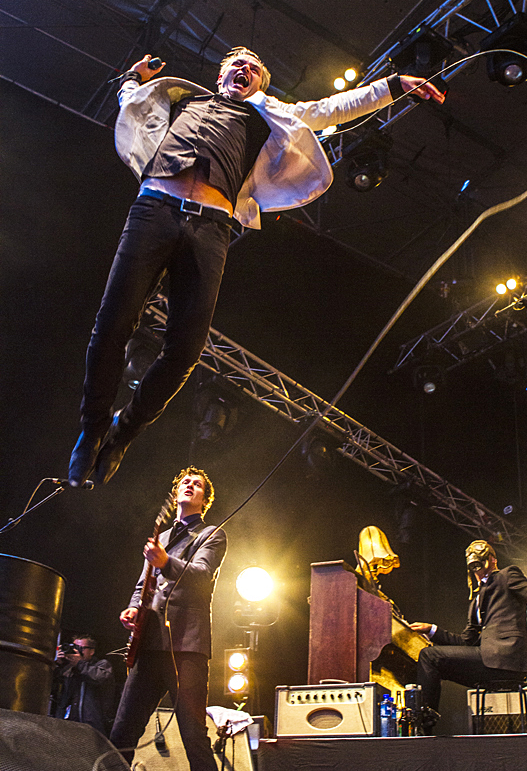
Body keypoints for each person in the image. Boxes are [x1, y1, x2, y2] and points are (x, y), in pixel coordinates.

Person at [68, 46, 445, 488]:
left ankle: (123, 431)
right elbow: (131, 102)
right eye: (238, 66)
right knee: (112, 325)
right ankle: (92, 428)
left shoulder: (265, 115)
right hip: (155, 209)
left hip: (211, 226)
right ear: (222, 75)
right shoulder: (183, 100)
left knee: (185, 351)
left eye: (255, 71)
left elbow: (329, 108)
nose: (245, 71)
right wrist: (132, 76)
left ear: (259, 86)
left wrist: (394, 85)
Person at [109, 466, 227, 771]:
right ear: (176, 493)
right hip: (149, 644)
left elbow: (201, 575)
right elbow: (143, 585)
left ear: (204, 498)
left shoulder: (211, 534)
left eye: (197, 484)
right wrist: (134, 608)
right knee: (122, 731)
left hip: (186, 646)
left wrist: (165, 561)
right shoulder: (159, 536)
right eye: (185, 482)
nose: (189, 485)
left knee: (193, 735)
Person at [410, 540, 527, 721]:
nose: (477, 569)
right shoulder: (476, 601)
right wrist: (432, 630)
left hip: (505, 659)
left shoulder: (507, 575)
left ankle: (424, 719)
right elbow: (466, 642)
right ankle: (425, 722)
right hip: (488, 660)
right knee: (429, 661)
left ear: (492, 560)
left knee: (430, 656)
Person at [52, 634, 115, 735]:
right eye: (73, 647)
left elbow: (100, 678)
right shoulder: (68, 668)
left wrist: (79, 663)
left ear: (91, 651)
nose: (75, 651)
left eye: (80, 648)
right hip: (67, 724)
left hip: (92, 726)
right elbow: (52, 687)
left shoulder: (102, 665)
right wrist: (58, 664)